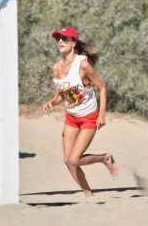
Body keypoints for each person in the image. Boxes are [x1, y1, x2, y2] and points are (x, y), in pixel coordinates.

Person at [43, 26, 118, 197]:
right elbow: (61, 96)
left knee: (74, 159)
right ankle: (89, 196)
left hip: (89, 117)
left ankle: (104, 158)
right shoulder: (56, 67)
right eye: (58, 39)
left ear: (73, 42)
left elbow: (102, 88)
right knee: (68, 161)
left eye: (65, 38)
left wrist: (102, 115)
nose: (60, 41)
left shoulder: (83, 65)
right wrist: (51, 103)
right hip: (71, 117)